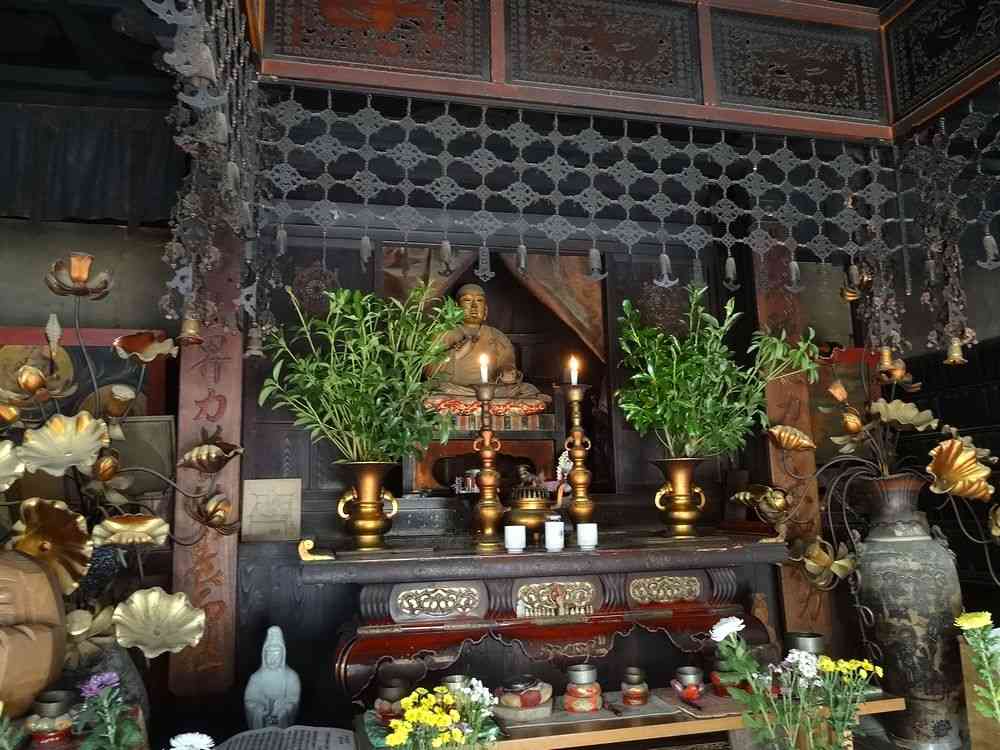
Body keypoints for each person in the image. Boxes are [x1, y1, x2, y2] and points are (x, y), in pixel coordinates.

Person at [244, 626, 300, 729]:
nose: (272, 659)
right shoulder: (256, 678)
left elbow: (293, 700)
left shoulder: (292, 677)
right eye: (269, 654)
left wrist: (283, 711)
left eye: (276, 655)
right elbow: (250, 701)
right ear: (263, 655)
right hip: (262, 724)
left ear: (283, 655)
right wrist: (260, 711)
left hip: (282, 724)